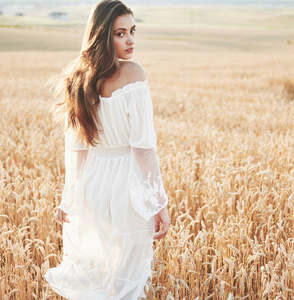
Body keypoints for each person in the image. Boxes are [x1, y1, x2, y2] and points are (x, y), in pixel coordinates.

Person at [44, 0, 171, 299]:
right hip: (126, 186)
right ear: (102, 35)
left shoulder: (78, 79)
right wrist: (158, 203)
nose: (130, 40)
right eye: (120, 33)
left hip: (94, 185)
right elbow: (143, 149)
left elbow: (77, 149)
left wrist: (70, 197)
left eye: (132, 31)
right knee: (125, 277)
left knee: (99, 270)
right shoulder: (134, 74)